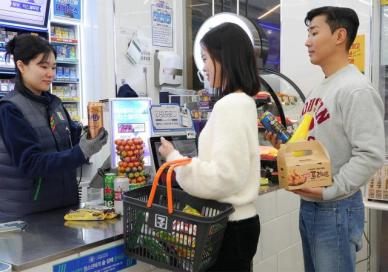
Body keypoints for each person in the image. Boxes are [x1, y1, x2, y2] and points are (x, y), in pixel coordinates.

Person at [266, 6, 384, 272]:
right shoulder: (321, 87)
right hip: (312, 205)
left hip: (336, 208)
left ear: (340, 35)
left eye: (314, 32)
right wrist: (286, 147)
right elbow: (315, 141)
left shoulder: (356, 90)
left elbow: (371, 153)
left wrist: (331, 190)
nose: (307, 41)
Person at [159, 23, 261, 271]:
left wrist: (174, 159)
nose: (203, 66)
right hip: (240, 223)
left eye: (206, 58)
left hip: (228, 227)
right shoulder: (244, 102)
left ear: (225, 58)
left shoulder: (230, 105)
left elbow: (223, 177)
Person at [0, 34, 108, 221]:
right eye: (43, 67)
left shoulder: (55, 103)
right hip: (27, 218)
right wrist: (81, 152)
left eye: (53, 67)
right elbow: (30, 164)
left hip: (64, 210)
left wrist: (90, 135)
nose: (51, 74)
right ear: (21, 66)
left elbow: (70, 139)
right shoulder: (10, 109)